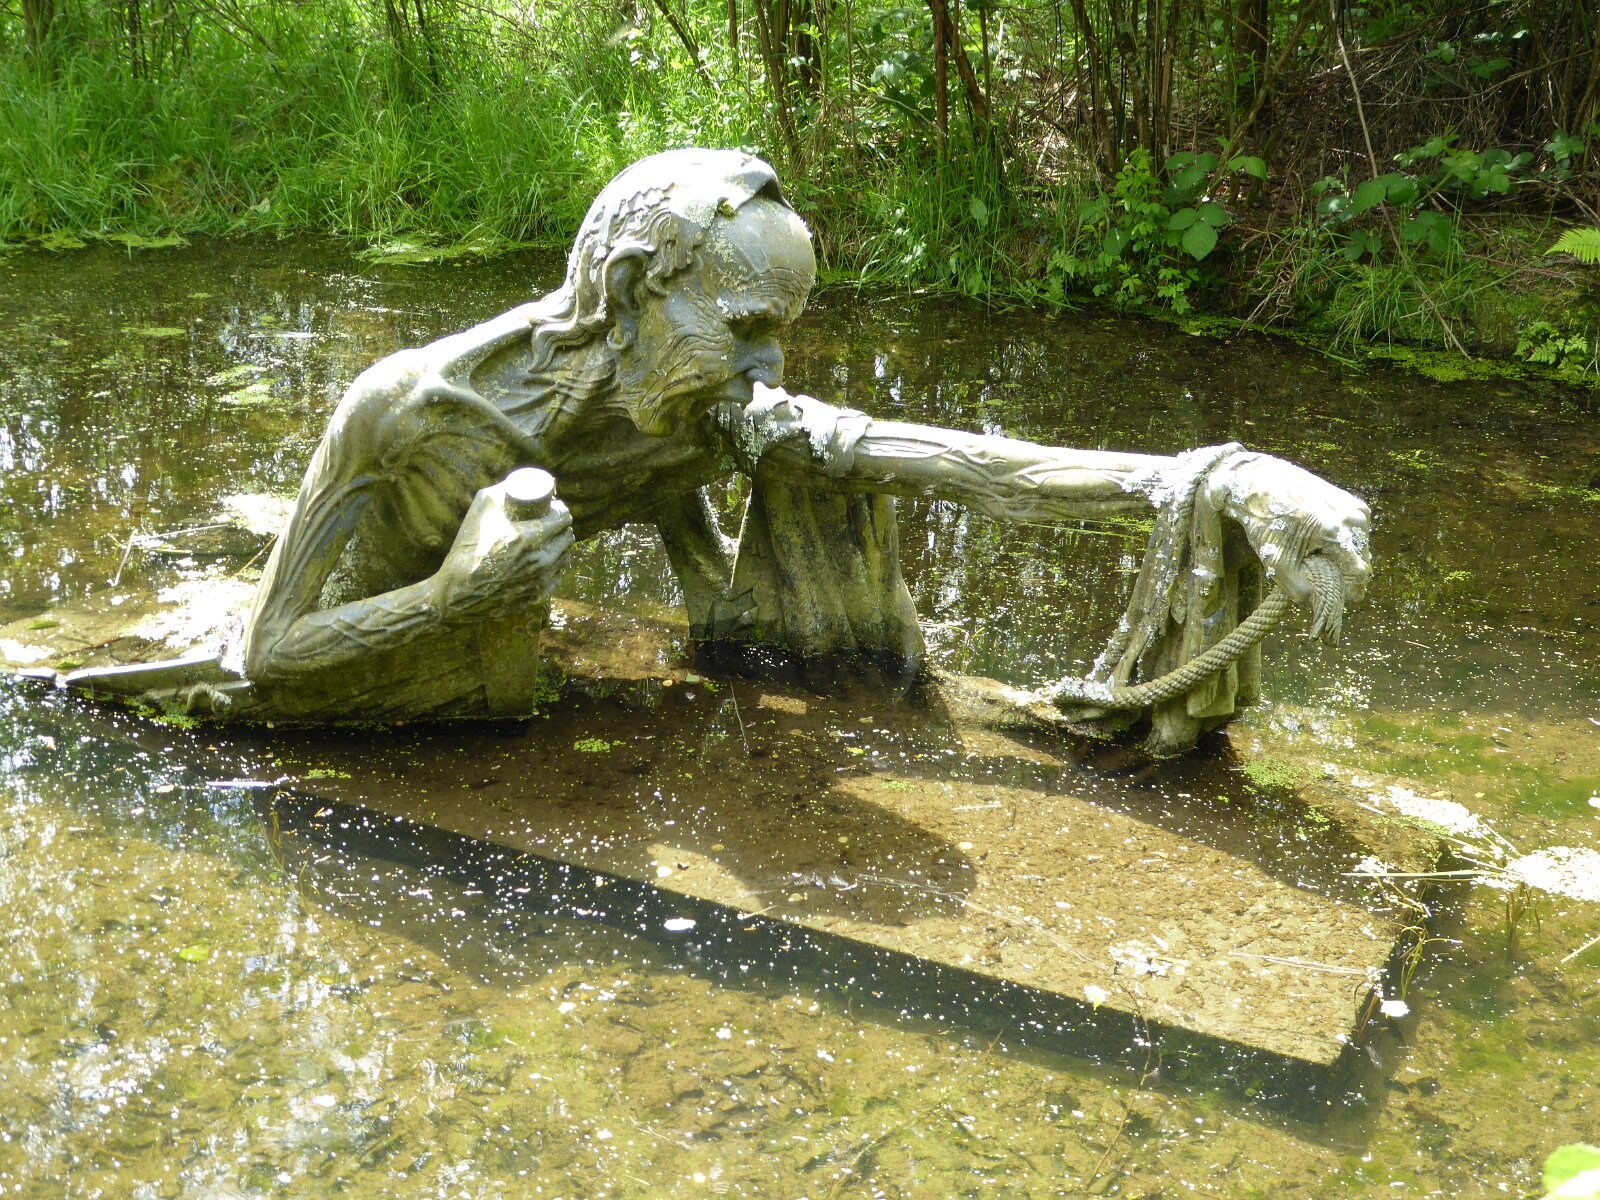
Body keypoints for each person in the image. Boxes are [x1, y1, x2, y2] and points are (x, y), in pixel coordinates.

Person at [182, 148, 1368, 732]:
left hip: (498, 675)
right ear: (635, 289)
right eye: (746, 328)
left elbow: (941, 458)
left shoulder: (688, 410)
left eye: (782, 332)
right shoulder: (406, 410)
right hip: (373, 684)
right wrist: (452, 601)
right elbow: (267, 656)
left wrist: (1215, 480)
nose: (771, 370)